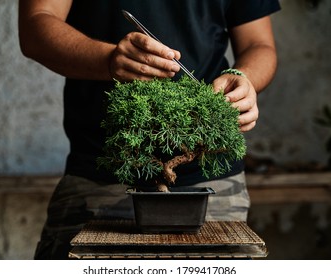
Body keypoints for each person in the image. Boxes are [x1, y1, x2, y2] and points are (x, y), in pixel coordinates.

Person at [18, 0, 280, 259]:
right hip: (100, 178)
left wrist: (244, 78)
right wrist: (108, 59)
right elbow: (36, 22)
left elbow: (259, 44)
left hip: (213, 182)